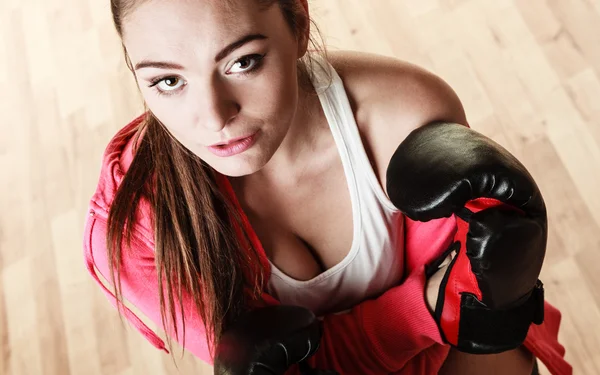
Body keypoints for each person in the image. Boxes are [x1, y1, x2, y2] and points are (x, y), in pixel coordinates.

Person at [83, 0, 572, 374]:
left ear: (297, 23)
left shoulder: (401, 117)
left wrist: (493, 284)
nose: (214, 117)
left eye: (243, 62)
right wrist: (424, 308)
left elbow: (477, 323)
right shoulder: (135, 230)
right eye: (167, 81)